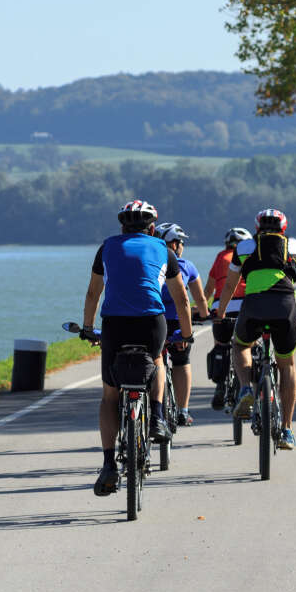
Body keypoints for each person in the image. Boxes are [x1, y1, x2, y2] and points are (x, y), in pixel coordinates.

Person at [81, 199, 194, 496]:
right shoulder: (163, 250)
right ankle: (156, 416)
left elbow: (94, 291)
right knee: (156, 358)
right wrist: (188, 331)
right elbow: (181, 299)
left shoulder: (106, 247)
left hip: (115, 324)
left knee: (109, 395)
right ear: (153, 228)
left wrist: (87, 327)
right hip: (151, 323)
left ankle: (108, 463)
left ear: (121, 226)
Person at [210, 208, 296, 450]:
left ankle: (246, 387)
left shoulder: (245, 248)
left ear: (257, 228)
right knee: (287, 365)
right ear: (284, 229)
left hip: (254, 307)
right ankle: (287, 429)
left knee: (240, 345)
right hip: (284, 306)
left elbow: (229, 285)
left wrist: (221, 312)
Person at [154, 223, 209, 426]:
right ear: (174, 244)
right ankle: (183, 410)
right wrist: (203, 315)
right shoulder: (187, 266)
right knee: (181, 360)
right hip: (177, 322)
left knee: (154, 361)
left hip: (154, 320)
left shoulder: (150, 263)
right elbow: (200, 299)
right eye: (181, 242)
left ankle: (154, 408)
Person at [204, 226, 252, 410]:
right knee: (247, 345)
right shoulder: (249, 256)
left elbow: (209, 289)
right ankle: (252, 383)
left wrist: (201, 309)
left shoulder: (220, 257)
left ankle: (220, 386)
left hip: (221, 308)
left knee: (221, 344)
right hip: (246, 306)